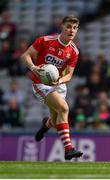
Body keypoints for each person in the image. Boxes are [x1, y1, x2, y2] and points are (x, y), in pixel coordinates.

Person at [21, 15, 83, 160]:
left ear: (77, 30)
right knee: (64, 108)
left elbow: (69, 75)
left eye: (74, 28)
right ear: (62, 27)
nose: (71, 30)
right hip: (41, 84)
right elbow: (26, 55)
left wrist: (60, 80)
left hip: (58, 85)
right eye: (68, 27)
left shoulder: (74, 51)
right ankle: (69, 149)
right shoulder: (45, 40)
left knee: (56, 121)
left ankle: (46, 125)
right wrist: (33, 68)